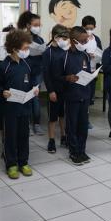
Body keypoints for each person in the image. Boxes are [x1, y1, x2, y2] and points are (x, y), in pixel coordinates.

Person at [0, 29, 39, 179]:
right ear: (14, 49)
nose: (27, 51)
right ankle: (11, 164)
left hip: (25, 107)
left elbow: (32, 81)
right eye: (25, 48)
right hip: (10, 109)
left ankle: (23, 162)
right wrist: (3, 92)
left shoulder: (27, 63)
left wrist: (35, 89)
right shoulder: (4, 66)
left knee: (23, 136)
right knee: (10, 137)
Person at [57, 26, 93, 165]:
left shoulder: (85, 55)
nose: (84, 44)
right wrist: (67, 78)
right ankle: (73, 152)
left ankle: (82, 151)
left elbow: (88, 74)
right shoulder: (64, 56)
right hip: (71, 96)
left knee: (83, 125)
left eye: (86, 41)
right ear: (73, 41)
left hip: (84, 95)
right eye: (82, 41)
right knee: (72, 125)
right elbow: (57, 76)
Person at [42, 25, 69, 153]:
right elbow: (46, 74)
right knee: (53, 117)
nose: (66, 41)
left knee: (63, 114)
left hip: (65, 88)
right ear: (56, 37)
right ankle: (51, 140)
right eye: (64, 38)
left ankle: (63, 136)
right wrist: (51, 91)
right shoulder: (48, 52)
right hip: (54, 89)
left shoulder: (65, 50)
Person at [18, 11, 44, 135]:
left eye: (39, 25)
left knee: (35, 97)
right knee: (25, 97)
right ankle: (26, 124)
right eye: (35, 24)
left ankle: (37, 124)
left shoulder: (40, 39)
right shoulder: (22, 37)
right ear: (28, 25)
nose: (38, 27)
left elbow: (43, 53)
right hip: (25, 71)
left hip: (38, 71)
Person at [82, 15, 103, 129]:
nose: (89, 30)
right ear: (83, 27)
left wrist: (98, 56)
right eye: (87, 28)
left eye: (91, 28)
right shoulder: (81, 39)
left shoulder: (97, 39)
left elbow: (101, 52)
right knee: (83, 97)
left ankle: (87, 119)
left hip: (94, 71)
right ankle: (83, 119)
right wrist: (87, 55)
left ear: (94, 27)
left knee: (90, 97)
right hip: (84, 72)